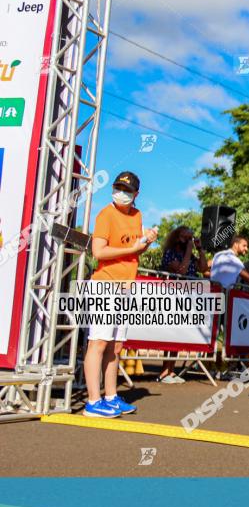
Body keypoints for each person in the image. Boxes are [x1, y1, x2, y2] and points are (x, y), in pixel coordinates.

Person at [83, 171, 157, 418]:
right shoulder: (106, 214)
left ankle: (111, 396)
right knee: (98, 343)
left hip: (125, 287)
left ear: (136, 194)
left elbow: (133, 252)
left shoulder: (137, 215)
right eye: (118, 188)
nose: (121, 193)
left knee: (115, 346)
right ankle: (93, 401)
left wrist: (146, 242)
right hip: (105, 285)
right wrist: (132, 247)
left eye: (127, 190)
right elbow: (98, 252)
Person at [157, 226, 209, 383]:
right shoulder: (170, 253)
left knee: (178, 333)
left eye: (190, 238)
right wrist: (188, 250)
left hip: (188, 297)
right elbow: (181, 271)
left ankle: (171, 371)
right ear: (177, 237)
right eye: (185, 237)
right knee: (170, 333)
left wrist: (200, 250)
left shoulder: (190, 255)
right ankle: (164, 371)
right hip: (172, 296)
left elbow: (204, 268)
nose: (188, 241)